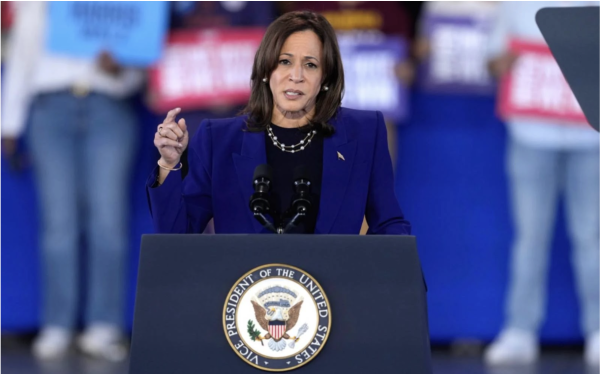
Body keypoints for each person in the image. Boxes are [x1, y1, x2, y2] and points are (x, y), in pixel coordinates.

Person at [146, 11, 411, 236]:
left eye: (310, 65)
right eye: (285, 62)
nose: (296, 76)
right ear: (265, 70)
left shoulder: (364, 132)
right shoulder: (218, 139)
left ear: (326, 77)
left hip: (332, 293)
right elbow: (178, 234)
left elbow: (388, 224)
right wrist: (169, 164)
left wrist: (403, 289)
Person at [1, 2, 144, 361]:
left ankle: (104, 326)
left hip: (109, 106)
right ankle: (57, 325)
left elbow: (143, 49)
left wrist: (122, 71)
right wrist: (9, 121)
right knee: (58, 222)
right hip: (50, 107)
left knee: (108, 220)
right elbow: (24, 47)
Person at [483, 2, 599, 367]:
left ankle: (597, 330)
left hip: (591, 138)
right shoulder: (516, 4)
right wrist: (502, 63)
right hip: (530, 133)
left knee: (591, 236)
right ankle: (519, 330)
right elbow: (491, 59)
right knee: (530, 236)